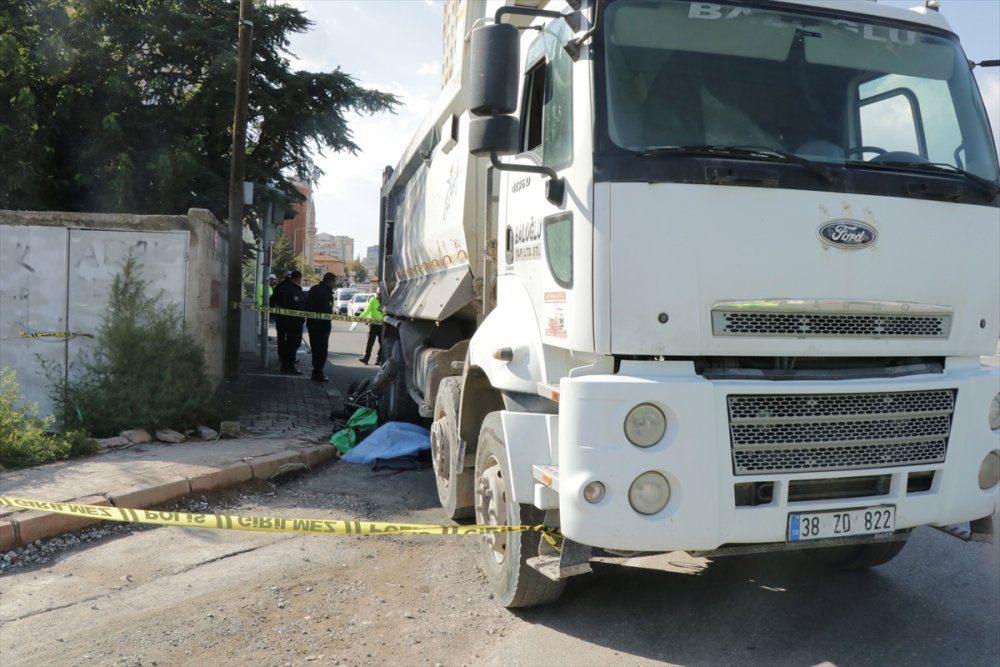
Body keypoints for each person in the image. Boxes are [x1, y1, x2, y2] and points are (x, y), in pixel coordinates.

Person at [270, 270, 305, 374]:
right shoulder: (293, 290)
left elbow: (273, 302)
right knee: (293, 344)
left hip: (282, 320)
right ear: (298, 278)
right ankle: (288, 365)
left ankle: (285, 361)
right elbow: (296, 305)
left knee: (284, 341)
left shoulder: (280, 287)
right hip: (293, 322)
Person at [305, 272, 336, 382]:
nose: (335, 284)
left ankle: (316, 370)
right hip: (321, 328)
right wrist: (327, 330)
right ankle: (318, 373)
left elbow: (307, 305)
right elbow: (327, 314)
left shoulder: (313, 289)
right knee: (321, 351)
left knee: (314, 349)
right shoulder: (327, 294)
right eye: (334, 281)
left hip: (311, 325)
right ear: (330, 281)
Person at [358, 289, 384, 365]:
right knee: (370, 343)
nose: (380, 295)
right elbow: (367, 311)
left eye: (381, 294)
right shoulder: (373, 300)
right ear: (377, 293)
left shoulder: (386, 300)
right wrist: (359, 318)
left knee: (382, 344)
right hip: (373, 325)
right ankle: (366, 358)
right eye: (379, 294)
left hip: (383, 325)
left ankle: (379, 359)